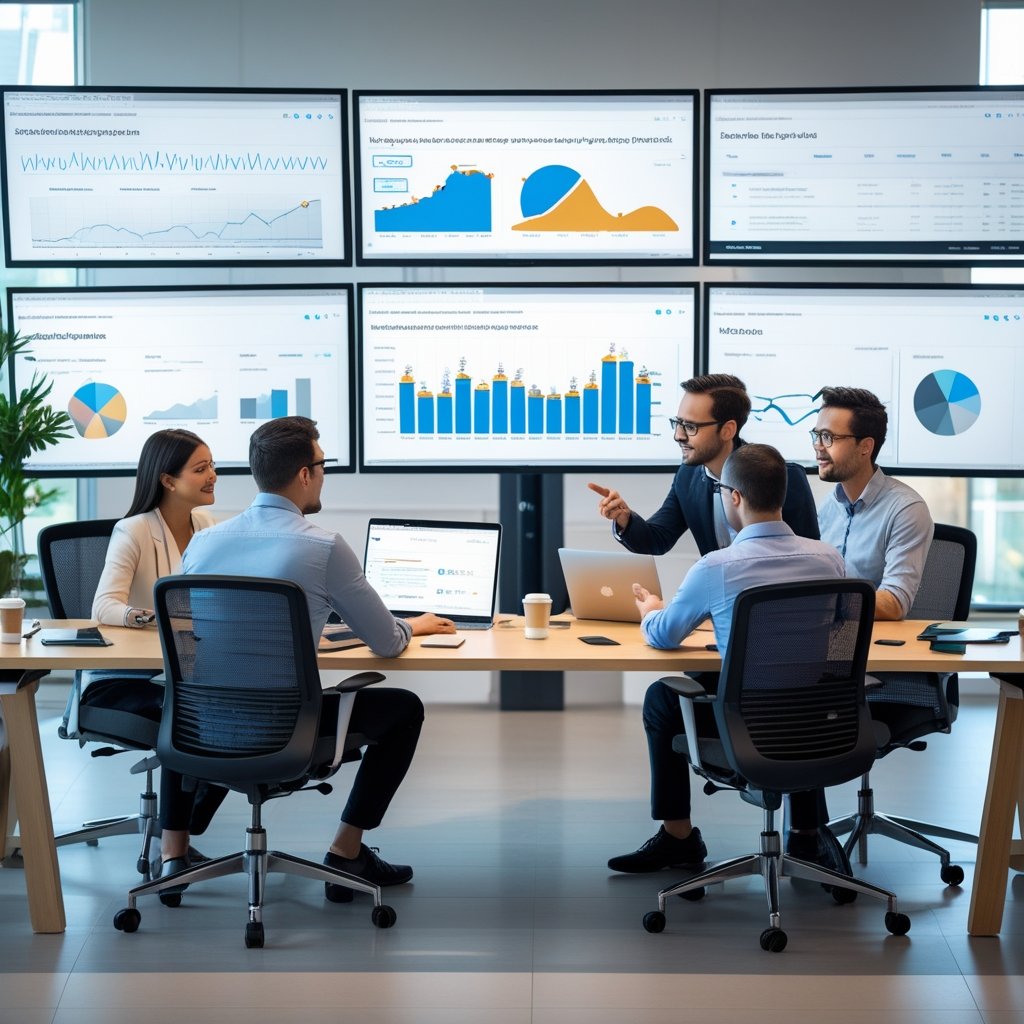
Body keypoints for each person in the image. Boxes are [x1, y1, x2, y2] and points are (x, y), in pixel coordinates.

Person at [178, 415, 456, 903]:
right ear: (304, 474)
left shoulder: (202, 542)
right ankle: (346, 850)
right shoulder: (322, 546)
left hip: (202, 726)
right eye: (322, 465)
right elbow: (388, 642)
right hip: (287, 730)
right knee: (404, 707)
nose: (323, 473)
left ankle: (173, 852)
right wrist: (416, 624)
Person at [609, 444, 845, 875]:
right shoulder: (829, 559)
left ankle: (678, 836)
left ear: (733, 497)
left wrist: (651, 611)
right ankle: (808, 836)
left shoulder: (716, 567)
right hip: (818, 724)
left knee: (662, 699)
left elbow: (663, 636)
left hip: (745, 729)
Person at [88, 428, 225, 872]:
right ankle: (174, 848)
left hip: (186, 671)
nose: (213, 476)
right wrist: (154, 617)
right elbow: (104, 605)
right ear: (167, 480)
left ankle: (178, 830)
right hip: (125, 679)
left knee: (238, 710)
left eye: (212, 466)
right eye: (200, 469)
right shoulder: (134, 530)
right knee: (188, 714)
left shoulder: (208, 527)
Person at [802, 385, 933, 833]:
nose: (819, 447)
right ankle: (806, 834)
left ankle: (807, 838)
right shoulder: (829, 507)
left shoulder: (905, 508)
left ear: (865, 446)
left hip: (884, 663)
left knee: (792, 695)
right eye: (816, 435)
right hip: (831, 647)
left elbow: (894, 603)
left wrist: (817, 602)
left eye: (830, 437)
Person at [589, 373, 819, 556]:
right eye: (678, 423)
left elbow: (809, 559)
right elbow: (658, 539)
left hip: (775, 609)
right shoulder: (688, 476)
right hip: (720, 606)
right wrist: (624, 518)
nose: (678, 435)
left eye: (690, 427)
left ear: (728, 430)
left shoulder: (782, 476)